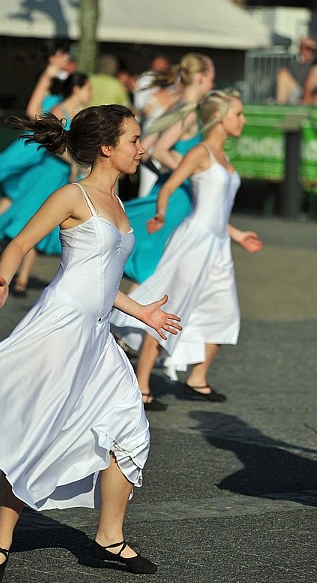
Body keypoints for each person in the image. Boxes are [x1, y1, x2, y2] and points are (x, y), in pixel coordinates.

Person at [0, 104, 182, 583]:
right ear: (107, 148)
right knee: (34, 433)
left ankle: (109, 538)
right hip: (59, 331)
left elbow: (100, 279)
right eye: (134, 140)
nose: (142, 148)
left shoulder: (120, 206)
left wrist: (142, 311)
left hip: (98, 338)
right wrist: (3, 279)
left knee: (130, 430)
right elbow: (19, 244)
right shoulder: (72, 195)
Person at [111, 90, 263, 411]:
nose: (243, 120)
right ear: (220, 119)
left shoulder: (224, 158)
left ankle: (197, 378)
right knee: (173, 307)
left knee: (226, 311)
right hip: (194, 242)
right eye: (238, 114)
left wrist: (236, 234)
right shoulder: (200, 153)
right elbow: (168, 186)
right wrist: (162, 213)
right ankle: (142, 385)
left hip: (218, 244)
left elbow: (218, 210)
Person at [0, 71, 93, 296]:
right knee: (32, 217)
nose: (90, 93)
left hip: (65, 177)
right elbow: (49, 143)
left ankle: (23, 280)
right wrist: (74, 162)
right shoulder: (58, 111)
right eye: (88, 88)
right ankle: (5, 255)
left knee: (48, 225)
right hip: (49, 171)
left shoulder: (81, 114)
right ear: (76, 89)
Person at [123, 53, 215, 286]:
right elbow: (159, 150)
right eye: (212, 78)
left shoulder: (176, 105)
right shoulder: (190, 111)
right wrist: (191, 170)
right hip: (177, 196)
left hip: (165, 189)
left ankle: (127, 319)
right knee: (155, 266)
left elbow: (143, 149)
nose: (213, 84)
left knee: (154, 264)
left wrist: (168, 168)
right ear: (202, 77)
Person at [0, 44, 72, 254]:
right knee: (16, 190)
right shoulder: (49, 76)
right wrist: (49, 130)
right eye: (64, 54)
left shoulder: (61, 78)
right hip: (39, 146)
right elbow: (32, 110)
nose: (67, 58)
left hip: (44, 144)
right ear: (53, 57)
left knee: (17, 190)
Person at [276, 36, 317, 105]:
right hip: (299, 91)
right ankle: (280, 107)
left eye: (308, 48)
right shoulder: (297, 62)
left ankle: (305, 105)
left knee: (314, 75)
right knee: (283, 74)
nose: (304, 50)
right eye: (302, 47)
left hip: (311, 94)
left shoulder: (314, 63)